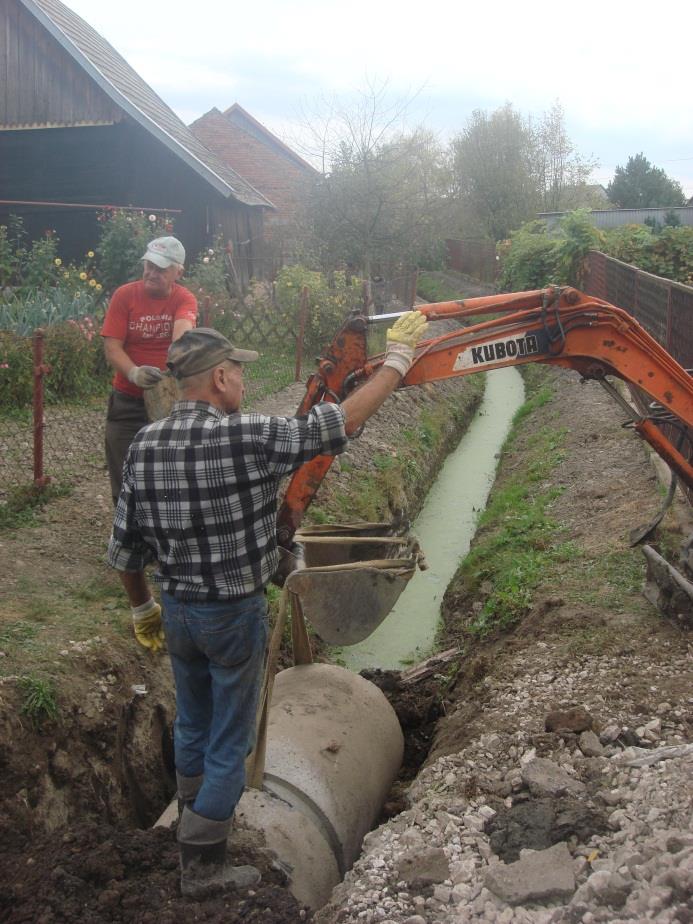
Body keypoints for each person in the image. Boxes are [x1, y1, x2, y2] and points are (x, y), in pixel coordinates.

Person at [106, 312, 428, 898]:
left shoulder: (143, 446)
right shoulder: (248, 437)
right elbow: (343, 421)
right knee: (232, 735)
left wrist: (142, 609)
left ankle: (187, 816)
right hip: (232, 614)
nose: (243, 384)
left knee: (194, 722)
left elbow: (125, 549)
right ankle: (204, 864)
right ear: (222, 378)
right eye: (239, 374)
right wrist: (401, 361)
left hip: (177, 611)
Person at [100, 236, 198, 504]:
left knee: (168, 469)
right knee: (122, 469)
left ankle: (161, 532)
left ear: (178, 272)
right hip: (127, 401)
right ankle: (125, 534)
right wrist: (133, 373)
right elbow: (112, 348)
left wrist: (170, 365)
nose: (152, 273)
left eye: (161, 269)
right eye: (149, 266)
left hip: (167, 400)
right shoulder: (125, 295)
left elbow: (182, 334)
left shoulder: (184, 298)